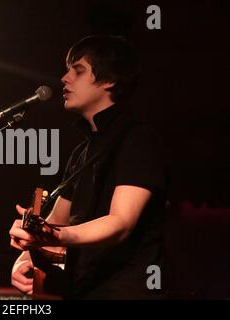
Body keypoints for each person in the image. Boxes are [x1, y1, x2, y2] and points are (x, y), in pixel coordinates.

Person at [9, 34, 167, 299]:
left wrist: (54, 236)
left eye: (78, 70)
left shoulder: (139, 139)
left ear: (109, 80)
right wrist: (27, 252)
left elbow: (120, 223)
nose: (64, 78)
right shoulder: (81, 153)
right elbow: (57, 222)